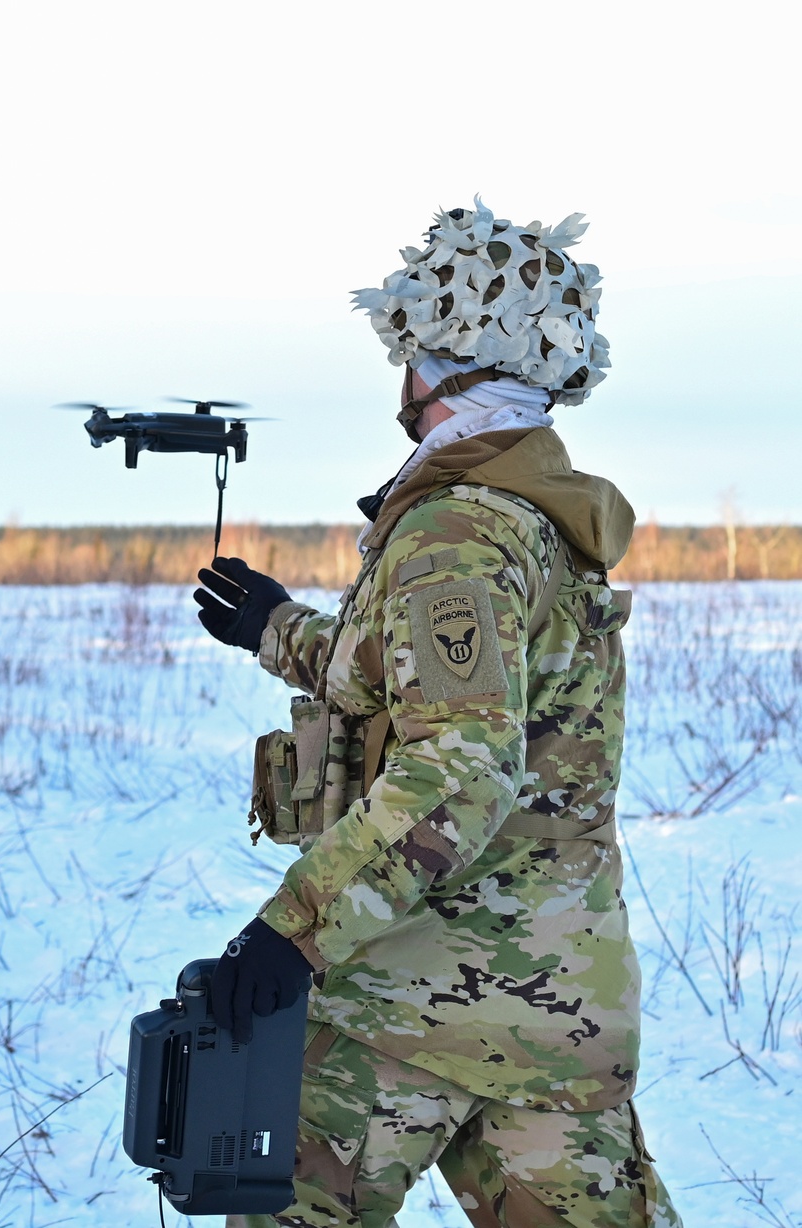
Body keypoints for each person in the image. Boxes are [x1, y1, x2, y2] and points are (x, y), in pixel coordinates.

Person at [194, 200, 682, 1228]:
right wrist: (277, 628)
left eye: (406, 353)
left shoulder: (454, 531)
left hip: (406, 1007)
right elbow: (415, 681)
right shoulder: (536, 521)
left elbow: (456, 766)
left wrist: (291, 934)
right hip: (555, 1011)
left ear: (440, 364)